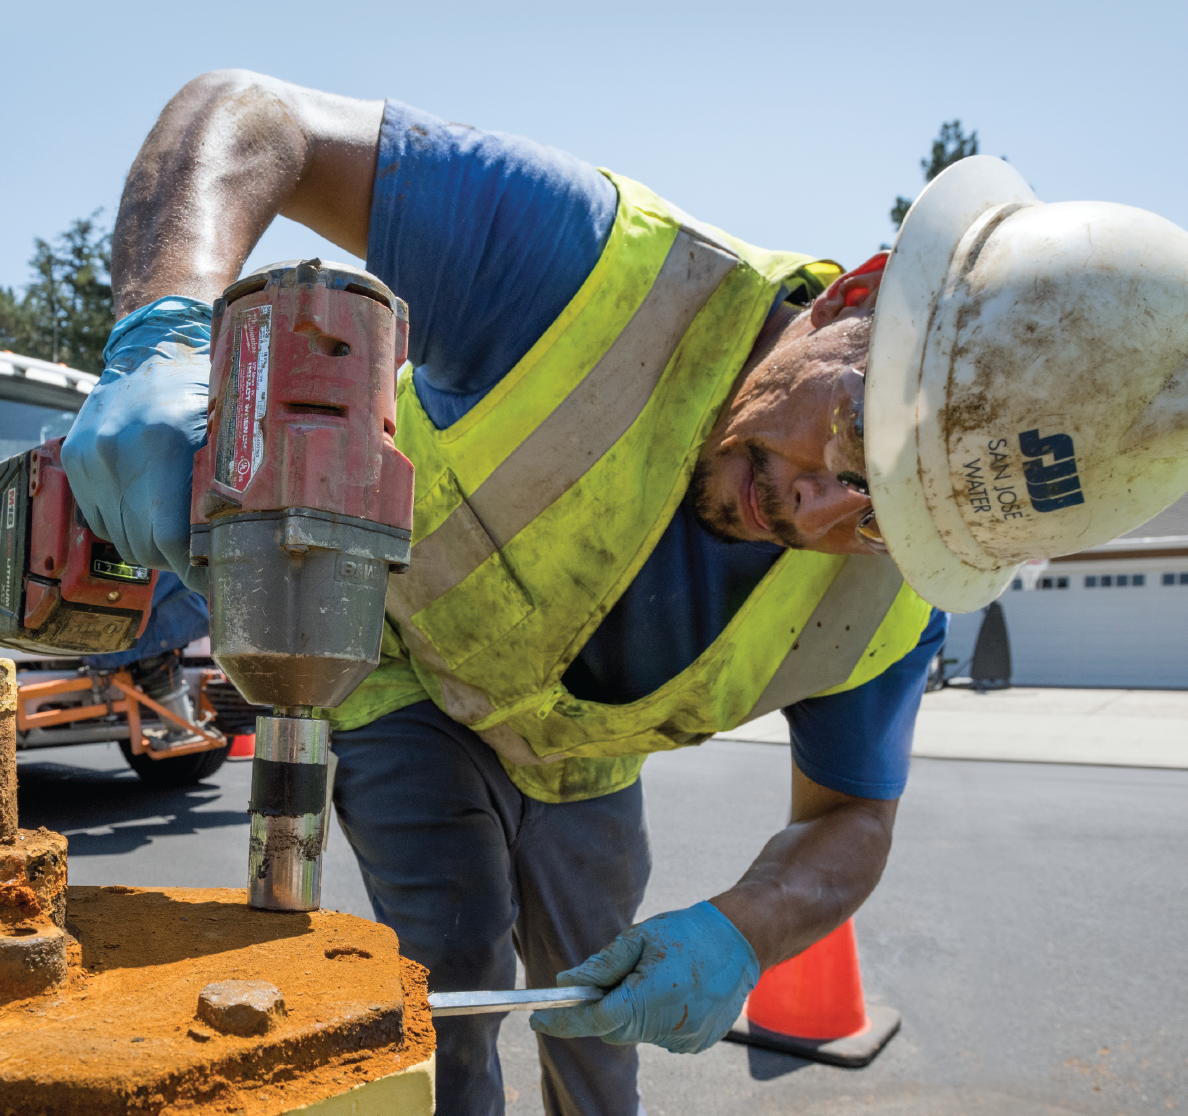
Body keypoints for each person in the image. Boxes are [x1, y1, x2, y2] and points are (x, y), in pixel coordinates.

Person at [61, 71, 1188, 1115]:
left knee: (596, 1013)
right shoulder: (585, 266)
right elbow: (256, 117)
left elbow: (851, 820)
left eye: (889, 518)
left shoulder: (886, 616)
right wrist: (160, 337)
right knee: (449, 962)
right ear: (856, 296)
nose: (817, 513)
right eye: (852, 438)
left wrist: (740, 935)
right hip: (402, 668)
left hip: (583, 766)